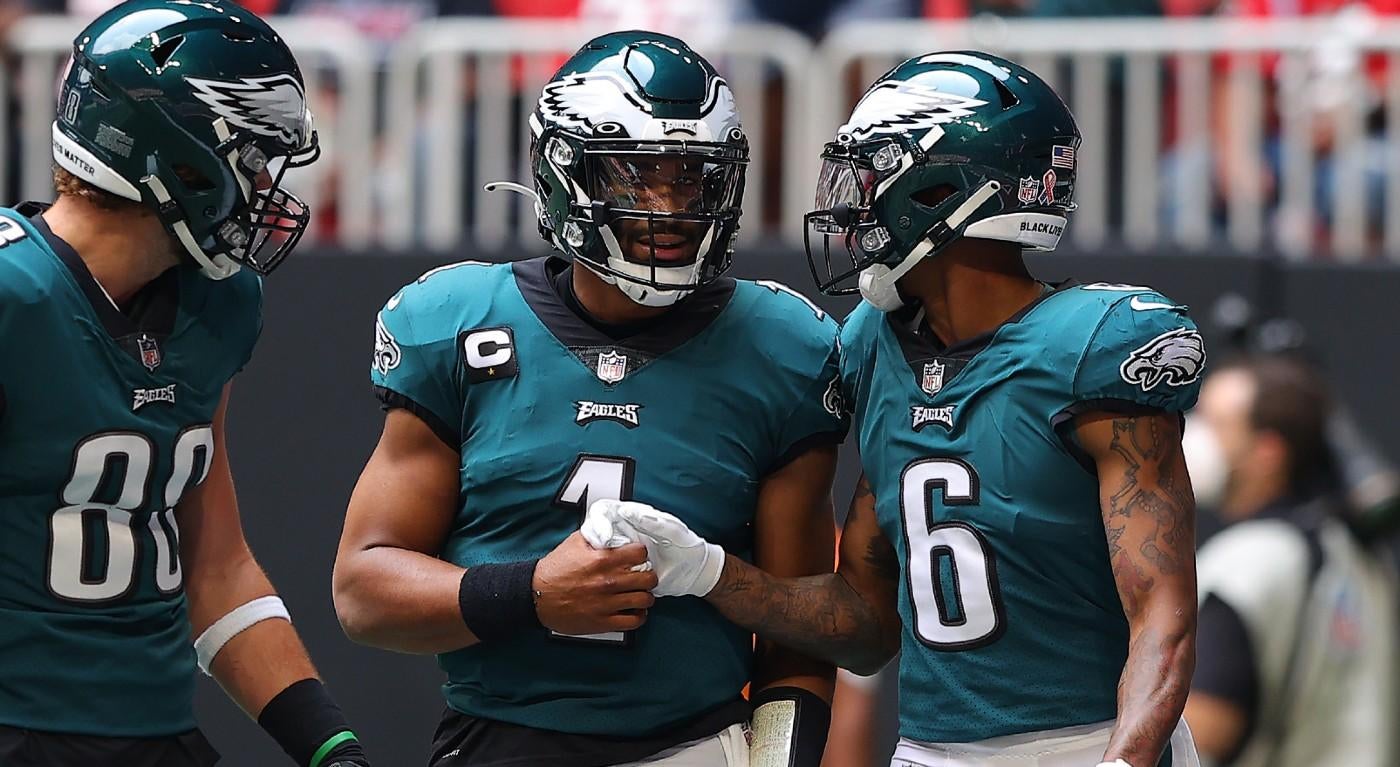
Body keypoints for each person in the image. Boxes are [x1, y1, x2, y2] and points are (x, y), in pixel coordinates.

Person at [589, 51, 1207, 767]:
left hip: (1091, 740)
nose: (854, 201)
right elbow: (868, 622)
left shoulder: (1092, 345)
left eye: (874, 170)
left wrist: (1124, 760)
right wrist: (710, 572)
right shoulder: (874, 344)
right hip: (929, 749)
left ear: (947, 187)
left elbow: (1163, 610)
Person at [332, 31, 847, 767]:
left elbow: (802, 629)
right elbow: (364, 588)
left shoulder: (779, 346)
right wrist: (532, 591)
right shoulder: (458, 321)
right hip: (497, 741)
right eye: (638, 178)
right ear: (563, 173)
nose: (671, 209)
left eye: (692, 180)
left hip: (697, 745)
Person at [0, 2, 370, 766]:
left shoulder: (219, 300)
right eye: (255, 157)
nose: (267, 186)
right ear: (178, 157)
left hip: (153, 732)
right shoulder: (14, 298)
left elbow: (216, 564)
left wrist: (330, 745)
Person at [1184, 356, 1398, 767]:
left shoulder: (1245, 562)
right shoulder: (1357, 554)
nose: (1193, 435)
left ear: (1268, 451)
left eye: (1213, 421)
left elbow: (1203, 732)